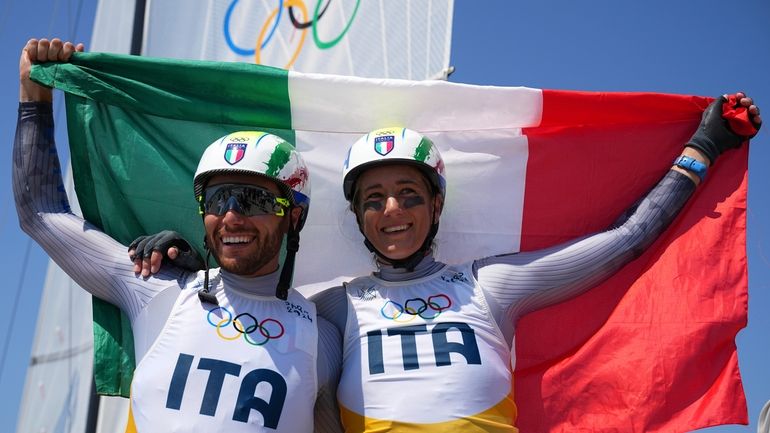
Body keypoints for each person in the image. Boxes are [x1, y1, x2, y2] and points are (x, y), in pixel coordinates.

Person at [136, 84, 761, 431]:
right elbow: (246, 316)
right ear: (356, 216)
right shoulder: (331, 310)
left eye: (409, 194)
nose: (392, 211)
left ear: (437, 206)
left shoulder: (491, 287)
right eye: (374, 199)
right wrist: (191, 264)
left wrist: (705, 144)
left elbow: (625, 240)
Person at [14, 38, 343, 433]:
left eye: (253, 200)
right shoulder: (154, 285)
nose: (232, 216)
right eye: (218, 200)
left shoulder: (323, 339)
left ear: (294, 217)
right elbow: (39, 212)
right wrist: (34, 97)